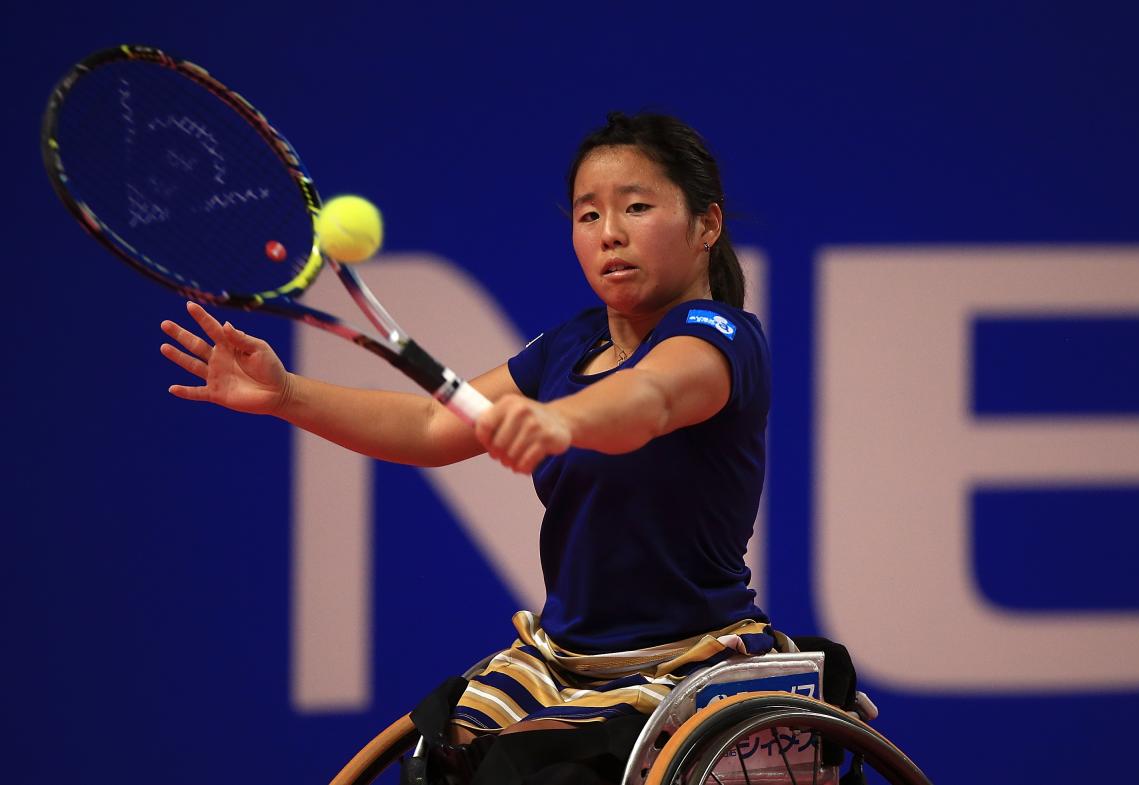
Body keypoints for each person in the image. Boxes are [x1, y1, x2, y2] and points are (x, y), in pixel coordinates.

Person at [160, 112, 789, 785]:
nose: (610, 233)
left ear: (707, 226)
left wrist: (562, 422)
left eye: (637, 207)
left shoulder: (720, 336)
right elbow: (433, 429)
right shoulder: (569, 347)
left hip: (684, 667)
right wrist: (288, 395)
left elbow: (650, 400)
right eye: (588, 214)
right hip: (562, 663)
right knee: (436, 765)